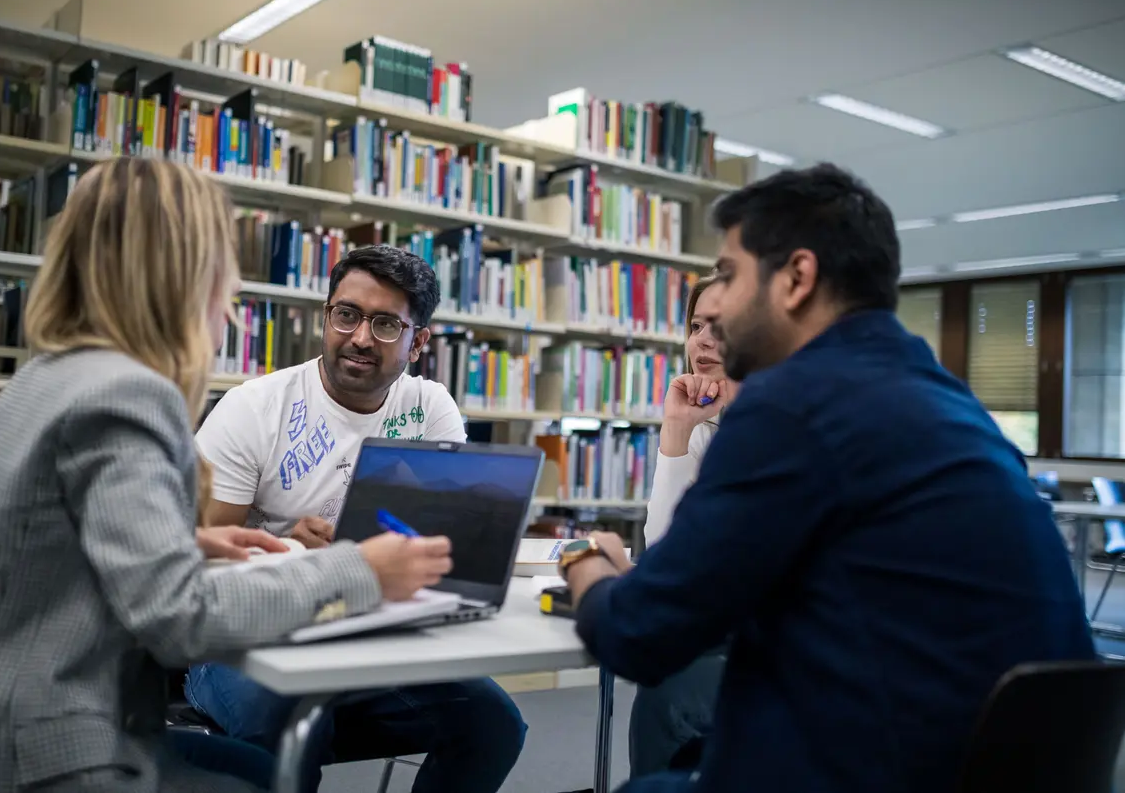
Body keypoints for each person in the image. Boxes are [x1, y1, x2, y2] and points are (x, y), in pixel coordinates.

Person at [0, 158, 455, 793]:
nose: (232, 296)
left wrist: (181, 545)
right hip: (38, 754)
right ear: (180, 274)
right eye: (222, 264)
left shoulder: (48, 377)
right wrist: (361, 572)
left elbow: (36, 544)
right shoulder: (130, 396)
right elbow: (179, 619)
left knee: (259, 769)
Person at [561, 163, 1095, 793]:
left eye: (730, 277)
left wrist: (584, 556)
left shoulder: (792, 406)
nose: (719, 310)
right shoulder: (948, 400)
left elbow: (638, 637)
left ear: (797, 278)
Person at [184, 244, 527, 793]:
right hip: (246, 638)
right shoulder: (255, 408)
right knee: (290, 724)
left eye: (386, 324)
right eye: (347, 314)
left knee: (493, 725)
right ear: (327, 315)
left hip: (376, 633)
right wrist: (288, 549)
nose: (361, 337)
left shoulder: (430, 408)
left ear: (418, 342)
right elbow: (200, 563)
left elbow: (449, 547)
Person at [629, 277, 736, 778]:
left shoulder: (792, 423)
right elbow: (662, 552)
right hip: (721, 626)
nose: (703, 341)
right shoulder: (702, 424)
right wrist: (676, 430)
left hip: (799, 640)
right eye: (696, 326)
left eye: (722, 326)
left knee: (665, 701)